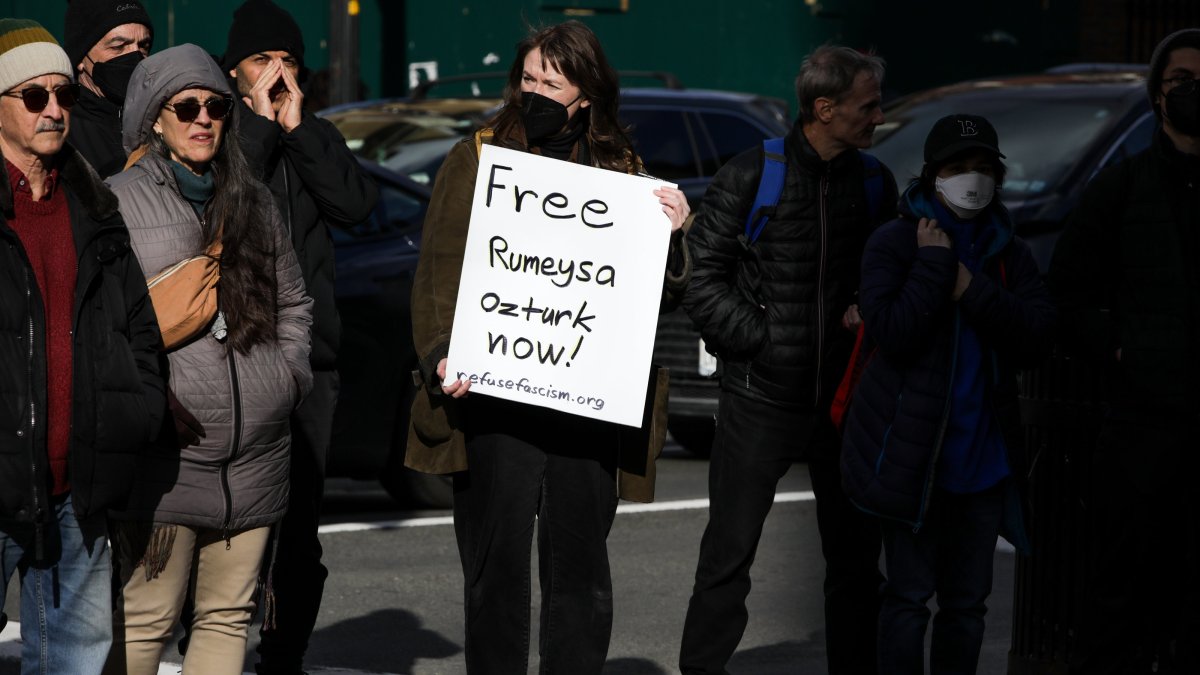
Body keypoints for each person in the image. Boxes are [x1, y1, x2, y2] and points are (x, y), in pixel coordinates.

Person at [406, 21, 690, 674]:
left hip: (586, 404)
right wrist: (444, 352)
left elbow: (659, 294)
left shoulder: (622, 171)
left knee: (580, 568)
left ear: (585, 95)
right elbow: (439, 270)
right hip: (497, 400)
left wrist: (673, 235)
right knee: (496, 565)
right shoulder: (477, 156)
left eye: (551, 83)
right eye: (528, 78)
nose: (533, 91)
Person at [679, 45, 895, 675]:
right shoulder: (753, 174)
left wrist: (872, 311)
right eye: (868, 104)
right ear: (824, 108)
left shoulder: (875, 183)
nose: (878, 116)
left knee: (856, 565)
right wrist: (760, 340)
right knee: (728, 557)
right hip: (760, 398)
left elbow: (889, 273)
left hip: (846, 404)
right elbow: (700, 278)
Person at [101, 43, 313, 675]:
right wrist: (148, 400)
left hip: (257, 455)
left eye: (216, 107)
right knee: (145, 623)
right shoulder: (118, 203)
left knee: (226, 618)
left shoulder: (253, 199)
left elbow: (294, 302)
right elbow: (104, 329)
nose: (203, 119)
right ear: (154, 119)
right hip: (167, 457)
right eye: (185, 106)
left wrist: (287, 379)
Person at [840, 114, 1055, 674]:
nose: (973, 180)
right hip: (913, 459)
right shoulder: (895, 240)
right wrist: (935, 268)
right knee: (909, 600)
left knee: (967, 607)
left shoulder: (1009, 252)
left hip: (982, 465)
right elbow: (893, 333)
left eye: (984, 169)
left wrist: (971, 288)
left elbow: (1036, 337)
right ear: (933, 175)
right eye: (960, 168)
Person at [0, 19, 164, 675]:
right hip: (2, 478)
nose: (54, 109)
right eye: (33, 96)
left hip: (82, 487)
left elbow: (137, 325)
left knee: (76, 661)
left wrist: (136, 409)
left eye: (63, 95)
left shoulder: (91, 203)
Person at [220, 2, 379, 672]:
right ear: (234, 72)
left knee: (299, 532)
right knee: (232, 525)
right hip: (233, 361)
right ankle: (218, 645)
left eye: (287, 61)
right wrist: (257, 126)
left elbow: (356, 204)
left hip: (310, 364)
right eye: (262, 62)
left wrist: (298, 126)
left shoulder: (313, 135)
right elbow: (224, 206)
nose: (276, 74)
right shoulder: (217, 131)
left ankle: (283, 654)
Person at [1049, 28, 1200, 675]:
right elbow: (1069, 287)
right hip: (1142, 424)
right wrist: (1117, 348)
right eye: (1180, 82)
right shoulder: (1122, 186)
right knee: (1122, 594)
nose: (1194, 93)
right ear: (1158, 97)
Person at [63, 0, 153, 178]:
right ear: (81, 59)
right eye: (118, 46)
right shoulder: (65, 132)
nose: (135, 56)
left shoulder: (159, 119)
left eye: (143, 46)